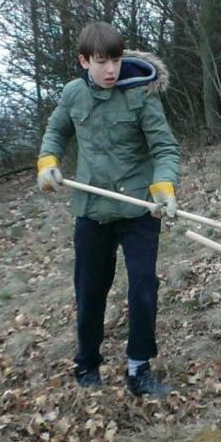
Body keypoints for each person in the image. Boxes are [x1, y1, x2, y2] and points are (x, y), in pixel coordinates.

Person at [37, 22, 181, 397]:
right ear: (84, 61)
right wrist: (48, 162)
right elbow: (55, 133)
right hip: (92, 211)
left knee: (143, 289)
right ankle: (87, 363)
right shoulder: (72, 95)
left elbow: (164, 148)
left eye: (116, 60)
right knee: (90, 290)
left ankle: (139, 368)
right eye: (102, 62)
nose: (111, 71)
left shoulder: (141, 95)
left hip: (138, 211)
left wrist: (164, 186)